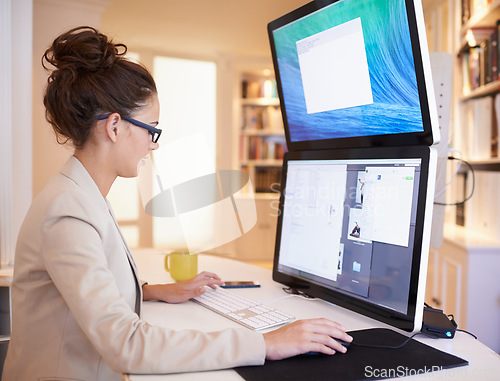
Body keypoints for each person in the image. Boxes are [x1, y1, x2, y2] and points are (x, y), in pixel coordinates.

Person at [2, 26, 352, 381]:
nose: (154, 145)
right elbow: (127, 344)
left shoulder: (79, 194)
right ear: (115, 127)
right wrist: (263, 343)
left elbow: (82, 282)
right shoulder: (68, 211)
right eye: (152, 129)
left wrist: (152, 292)